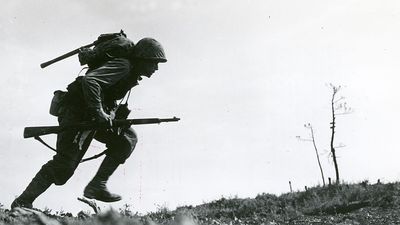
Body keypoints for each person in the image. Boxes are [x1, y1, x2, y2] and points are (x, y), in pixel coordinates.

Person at [11, 37, 167, 208]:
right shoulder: (124, 66)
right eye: (154, 62)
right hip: (77, 113)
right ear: (143, 58)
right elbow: (90, 81)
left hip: (91, 116)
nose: (156, 68)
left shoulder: (129, 71)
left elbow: (105, 92)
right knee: (64, 167)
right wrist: (99, 111)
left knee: (127, 138)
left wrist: (112, 114)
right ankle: (22, 202)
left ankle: (97, 185)